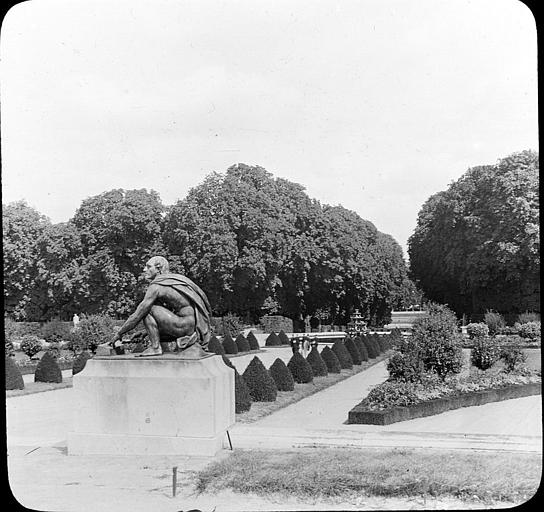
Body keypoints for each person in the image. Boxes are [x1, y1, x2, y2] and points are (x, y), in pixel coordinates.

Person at [108, 256, 212, 357]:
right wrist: (145, 332)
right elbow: (165, 318)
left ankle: (155, 348)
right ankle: (157, 346)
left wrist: (119, 333)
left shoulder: (157, 286)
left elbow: (137, 315)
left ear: (158, 269)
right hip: (190, 326)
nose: (144, 270)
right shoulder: (172, 280)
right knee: (150, 309)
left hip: (183, 325)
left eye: (148, 267)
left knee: (148, 310)